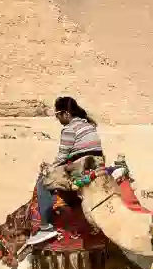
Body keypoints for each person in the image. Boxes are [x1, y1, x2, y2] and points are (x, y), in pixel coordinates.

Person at [25, 96, 104, 247]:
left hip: (81, 168)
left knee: (43, 182)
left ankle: (46, 227)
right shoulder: (89, 125)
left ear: (66, 114)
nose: (58, 119)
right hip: (97, 165)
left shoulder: (68, 129)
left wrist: (48, 168)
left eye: (58, 115)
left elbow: (61, 157)